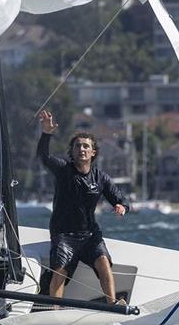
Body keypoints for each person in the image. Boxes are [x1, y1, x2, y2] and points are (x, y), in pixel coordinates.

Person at [36, 109, 129, 304]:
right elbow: (43, 157)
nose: (82, 149)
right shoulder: (63, 170)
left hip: (89, 235)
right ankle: (54, 311)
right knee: (60, 269)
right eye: (78, 146)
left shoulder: (100, 178)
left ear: (93, 152)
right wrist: (46, 133)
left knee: (104, 263)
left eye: (86, 146)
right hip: (63, 234)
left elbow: (118, 198)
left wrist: (121, 206)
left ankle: (112, 304)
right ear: (72, 151)